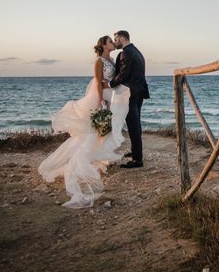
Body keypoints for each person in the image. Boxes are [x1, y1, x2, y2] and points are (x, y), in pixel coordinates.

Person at [38, 35, 130, 208]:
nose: (112, 44)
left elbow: (113, 79)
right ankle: (80, 163)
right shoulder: (99, 61)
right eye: (110, 42)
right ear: (104, 45)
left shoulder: (111, 58)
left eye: (112, 41)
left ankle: (97, 155)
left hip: (111, 95)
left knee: (104, 131)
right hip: (100, 98)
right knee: (93, 132)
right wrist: (102, 101)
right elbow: (97, 82)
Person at [105, 30, 149, 168]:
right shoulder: (137, 51)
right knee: (136, 124)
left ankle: (137, 160)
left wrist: (109, 84)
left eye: (116, 39)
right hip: (139, 92)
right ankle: (135, 152)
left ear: (122, 38)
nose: (115, 41)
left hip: (130, 93)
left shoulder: (126, 53)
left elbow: (124, 74)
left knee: (133, 125)